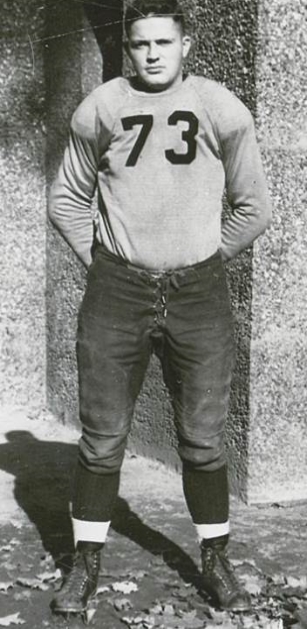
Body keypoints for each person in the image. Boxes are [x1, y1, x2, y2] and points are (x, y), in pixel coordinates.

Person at [48, 0, 272, 617]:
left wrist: (200, 257)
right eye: (140, 44)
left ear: (186, 44)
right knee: (101, 439)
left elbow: (254, 208)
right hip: (116, 291)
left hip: (199, 293)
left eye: (163, 43)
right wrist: (107, 265)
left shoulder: (221, 108)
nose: (151, 54)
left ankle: (215, 559)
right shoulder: (102, 107)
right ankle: (84, 566)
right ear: (128, 47)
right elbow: (67, 200)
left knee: (203, 438)